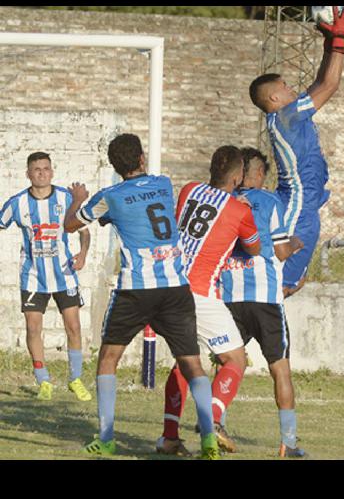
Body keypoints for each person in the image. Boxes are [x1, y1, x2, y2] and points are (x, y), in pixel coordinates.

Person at [64, 133, 221, 459]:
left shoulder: (110, 196)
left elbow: (70, 224)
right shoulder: (163, 184)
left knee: (108, 360)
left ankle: (106, 440)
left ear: (114, 165)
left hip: (136, 291)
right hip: (175, 288)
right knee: (192, 363)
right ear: (140, 159)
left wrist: (77, 199)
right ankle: (209, 441)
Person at [158, 145, 261, 456]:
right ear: (239, 176)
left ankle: (169, 437)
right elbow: (253, 248)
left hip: (171, 286)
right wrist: (241, 212)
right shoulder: (240, 211)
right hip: (200, 293)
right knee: (235, 359)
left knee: (185, 362)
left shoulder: (189, 190)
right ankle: (212, 421)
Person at [248, 6, 344, 299]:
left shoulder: (288, 115)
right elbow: (330, 85)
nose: (291, 88)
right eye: (285, 86)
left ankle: (253, 333)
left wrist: (327, 44)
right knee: (280, 285)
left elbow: (321, 83)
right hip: (298, 207)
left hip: (303, 205)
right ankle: (243, 335)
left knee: (292, 283)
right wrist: (339, 42)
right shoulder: (286, 117)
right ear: (273, 97)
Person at [218, 147, 308, 458]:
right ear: (257, 175)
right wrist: (297, 244)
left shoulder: (224, 201)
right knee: (280, 369)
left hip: (229, 296)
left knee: (227, 363)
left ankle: (218, 423)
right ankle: (289, 442)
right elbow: (281, 251)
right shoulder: (270, 201)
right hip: (266, 299)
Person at [0, 152, 92, 402]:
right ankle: (43, 381)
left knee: (73, 327)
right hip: (33, 277)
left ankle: (75, 379)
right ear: (28, 174)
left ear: (52, 171)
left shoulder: (66, 198)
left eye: (45, 168)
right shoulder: (17, 203)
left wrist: (82, 254)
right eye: (36, 169)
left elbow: (84, 231)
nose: (41, 173)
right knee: (33, 327)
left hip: (64, 274)